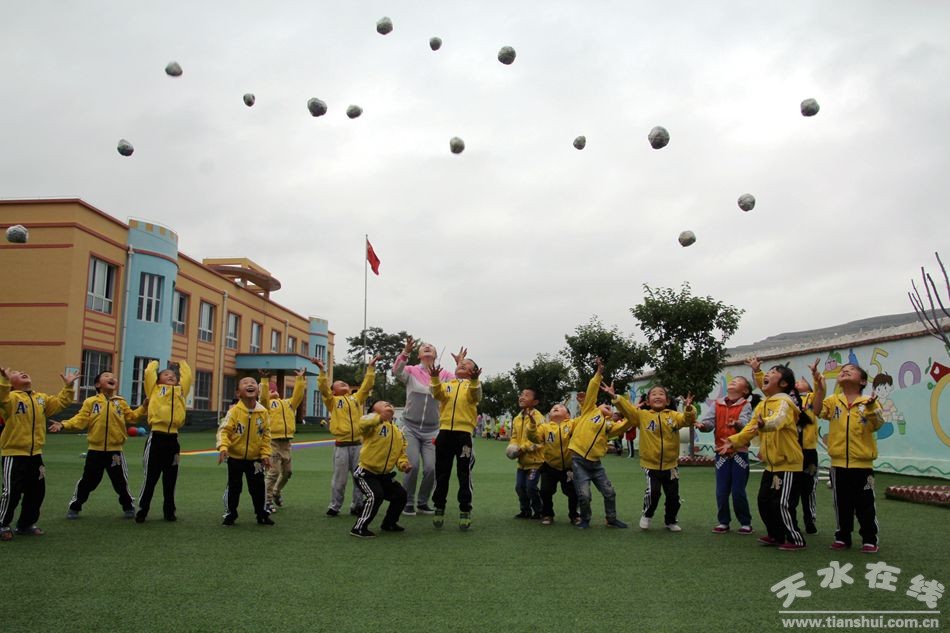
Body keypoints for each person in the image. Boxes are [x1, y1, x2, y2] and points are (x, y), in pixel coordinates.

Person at [719, 365, 806, 551]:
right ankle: (775, 535)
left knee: (782, 503)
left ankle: (795, 538)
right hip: (771, 465)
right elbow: (750, 429)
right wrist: (733, 442)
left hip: (789, 464)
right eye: (767, 373)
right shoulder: (762, 405)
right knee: (764, 501)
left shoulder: (785, 403)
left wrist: (764, 423)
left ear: (783, 383)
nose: (767, 375)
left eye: (773, 373)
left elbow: (777, 421)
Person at [49, 371, 146, 520]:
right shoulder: (91, 402)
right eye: (106, 376)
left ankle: (128, 506)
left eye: (113, 376)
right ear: (97, 384)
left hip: (115, 452)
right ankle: (75, 506)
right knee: (88, 481)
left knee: (120, 482)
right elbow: (79, 420)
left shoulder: (120, 402)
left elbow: (132, 417)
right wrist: (63, 424)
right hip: (95, 451)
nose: (111, 377)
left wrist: (144, 407)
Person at [811, 362, 885, 553]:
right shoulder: (834, 400)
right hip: (838, 465)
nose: (845, 370)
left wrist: (870, 408)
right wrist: (819, 387)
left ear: (862, 381)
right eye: (843, 370)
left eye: (850, 370)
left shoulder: (870, 401)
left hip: (862, 465)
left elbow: (877, 424)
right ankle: (842, 536)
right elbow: (817, 410)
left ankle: (869, 539)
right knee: (841, 503)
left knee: (865, 504)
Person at [0, 366, 78, 541]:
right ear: (11, 384)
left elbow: (60, 403)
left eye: (22, 372)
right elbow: (1, 397)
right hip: (14, 454)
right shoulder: (10, 398)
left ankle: (26, 524)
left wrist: (68, 387)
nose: (21, 372)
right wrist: (3, 380)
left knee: (36, 492)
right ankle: (2, 523)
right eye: (16, 374)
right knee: (11, 492)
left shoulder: (40, 398)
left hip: (35, 454)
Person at [613, 385, 695, 532]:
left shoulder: (674, 416)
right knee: (654, 492)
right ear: (648, 402)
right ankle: (647, 514)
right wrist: (616, 398)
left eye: (661, 394)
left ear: (668, 400)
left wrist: (688, 409)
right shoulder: (642, 416)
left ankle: (670, 521)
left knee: (673, 497)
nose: (658, 396)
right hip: (650, 464)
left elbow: (687, 421)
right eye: (654, 394)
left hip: (671, 465)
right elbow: (628, 411)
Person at [567, 359, 634, 529]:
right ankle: (585, 519)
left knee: (609, 492)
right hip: (578, 460)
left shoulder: (609, 426)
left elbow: (629, 422)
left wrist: (632, 410)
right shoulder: (589, 410)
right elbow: (591, 391)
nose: (607, 408)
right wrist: (598, 374)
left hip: (596, 464)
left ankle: (611, 519)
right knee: (584, 495)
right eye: (605, 405)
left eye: (610, 408)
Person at [392, 338, 454, 516]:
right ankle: (408, 501)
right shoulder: (410, 370)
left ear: (435, 355)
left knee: (431, 468)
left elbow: (459, 385)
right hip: (410, 427)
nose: (427, 347)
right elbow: (396, 371)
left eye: (431, 347)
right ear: (419, 355)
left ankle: (423, 502)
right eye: (423, 348)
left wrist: (459, 364)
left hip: (433, 429)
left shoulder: (444, 375)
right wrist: (405, 353)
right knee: (412, 465)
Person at [317, 355, 378, 517]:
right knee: (340, 479)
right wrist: (322, 371)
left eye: (345, 383)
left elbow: (366, 386)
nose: (343, 383)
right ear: (333, 391)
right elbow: (323, 389)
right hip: (341, 446)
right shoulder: (332, 401)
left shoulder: (355, 398)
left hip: (358, 444)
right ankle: (335, 505)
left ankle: (357, 505)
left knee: (359, 477)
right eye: (339, 383)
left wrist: (371, 369)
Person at [429, 347, 481, 530]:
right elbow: (437, 394)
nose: (462, 366)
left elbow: (475, 397)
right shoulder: (447, 383)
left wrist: (474, 381)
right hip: (444, 433)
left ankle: (465, 508)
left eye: (467, 365)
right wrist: (435, 378)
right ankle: (439, 506)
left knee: (463, 473)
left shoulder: (473, 386)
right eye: (461, 364)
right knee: (441, 472)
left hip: (463, 435)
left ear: (473, 372)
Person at [694, 376, 754, 534]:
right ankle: (723, 521)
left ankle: (745, 522)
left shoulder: (746, 405)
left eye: (739, 380)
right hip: (721, 452)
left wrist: (738, 424)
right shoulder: (717, 403)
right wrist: (702, 426)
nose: (733, 381)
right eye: (732, 380)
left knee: (738, 491)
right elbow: (709, 422)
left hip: (739, 452)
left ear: (745, 390)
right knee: (721, 490)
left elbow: (746, 425)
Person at [136, 360, 192, 523]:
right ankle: (142, 510)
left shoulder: (181, 391)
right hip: (156, 438)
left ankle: (169, 511)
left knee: (170, 479)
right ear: (158, 379)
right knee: (151, 478)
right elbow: (148, 374)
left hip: (173, 440)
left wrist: (182, 363)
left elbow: (187, 376)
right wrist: (155, 363)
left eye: (173, 375)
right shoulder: (153, 390)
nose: (171, 376)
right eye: (166, 374)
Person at [350, 401, 412, 538]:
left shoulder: (398, 431)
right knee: (375, 495)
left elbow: (401, 453)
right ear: (374, 410)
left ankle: (389, 523)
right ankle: (359, 527)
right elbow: (363, 424)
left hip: (384, 475)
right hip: (365, 472)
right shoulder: (371, 423)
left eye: (389, 404)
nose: (388, 404)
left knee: (400, 495)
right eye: (383, 404)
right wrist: (379, 417)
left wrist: (403, 464)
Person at [218, 377, 273, 526]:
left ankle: (261, 514)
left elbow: (266, 435)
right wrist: (223, 447)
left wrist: (265, 454)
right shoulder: (234, 412)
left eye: (253, 383)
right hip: (235, 457)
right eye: (245, 383)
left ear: (258, 390)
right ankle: (230, 514)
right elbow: (224, 431)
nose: (250, 384)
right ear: (238, 393)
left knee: (258, 489)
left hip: (255, 459)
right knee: (234, 488)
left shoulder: (263, 412)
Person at [527, 398, 584, 526]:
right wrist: (531, 424)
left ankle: (575, 515)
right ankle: (547, 514)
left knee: (573, 493)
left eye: (560, 407)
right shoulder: (544, 427)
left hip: (569, 467)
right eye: (553, 408)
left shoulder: (573, 424)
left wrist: (583, 404)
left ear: (568, 415)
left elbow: (585, 418)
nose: (556, 407)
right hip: (550, 466)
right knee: (545, 491)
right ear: (549, 415)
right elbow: (534, 437)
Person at [260, 368, 306, 513]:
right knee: (273, 472)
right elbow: (263, 398)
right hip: (272, 442)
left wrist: (300, 379)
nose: (273, 390)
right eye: (270, 390)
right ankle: (266, 501)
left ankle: (276, 492)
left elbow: (298, 396)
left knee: (288, 472)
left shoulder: (287, 403)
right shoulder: (265, 406)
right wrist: (265, 381)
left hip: (286, 443)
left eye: (275, 389)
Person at [509, 388, 544, 519]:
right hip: (522, 462)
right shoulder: (517, 418)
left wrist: (522, 449)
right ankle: (525, 510)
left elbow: (538, 440)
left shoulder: (538, 418)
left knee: (530, 487)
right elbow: (514, 436)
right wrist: (512, 447)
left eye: (527, 395)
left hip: (535, 462)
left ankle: (539, 510)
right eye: (521, 394)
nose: (522, 397)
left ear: (535, 402)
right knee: (519, 487)